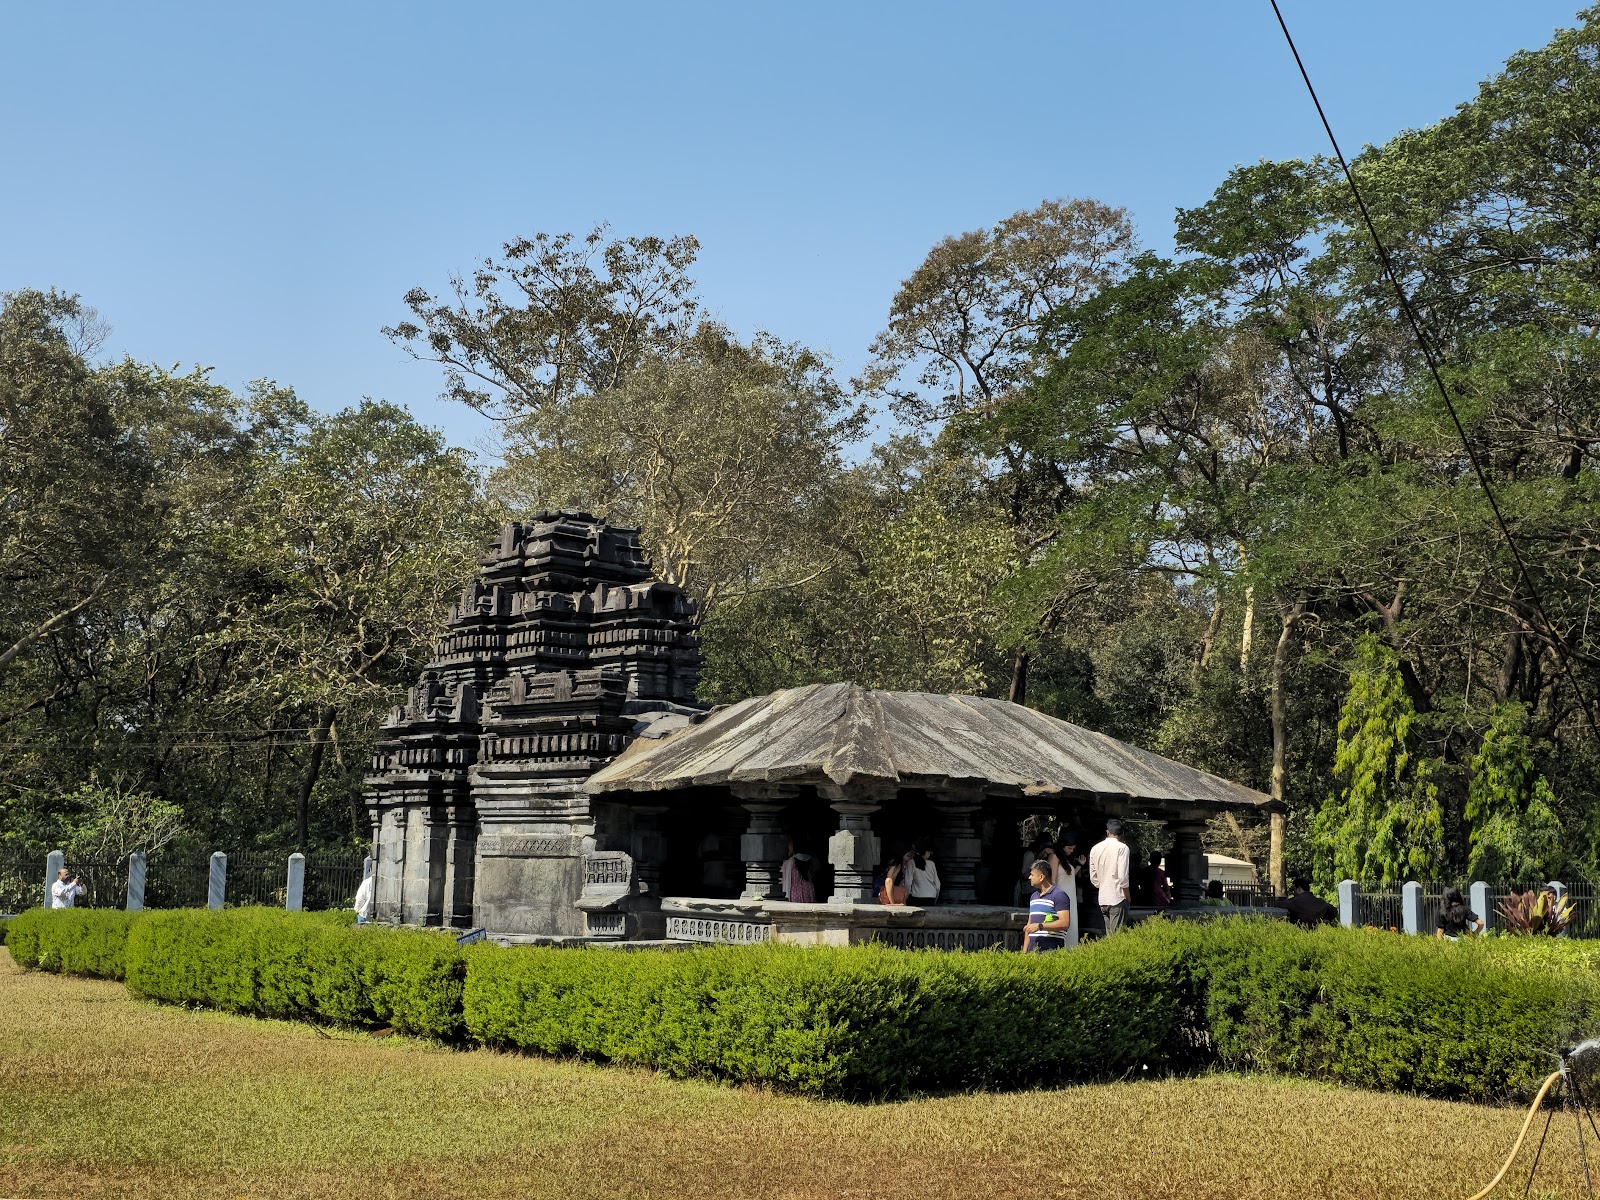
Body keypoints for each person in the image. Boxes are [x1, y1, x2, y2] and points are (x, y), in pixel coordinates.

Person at [1089, 819, 1132, 935]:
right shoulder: (1122, 848)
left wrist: (1103, 885)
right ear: (1121, 833)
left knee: (1109, 936)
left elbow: (1093, 878)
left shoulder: (1095, 848)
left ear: (1107, 832)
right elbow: (1123, 877)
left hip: (1103, 898)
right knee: (1117, 937)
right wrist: (1127, 896)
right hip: (1117, 897)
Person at [1021, 859, 1072, 953]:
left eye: (1032, 875)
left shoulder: (1058, 895)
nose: (1029, 877)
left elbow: (1065, 923)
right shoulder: (1034, 897)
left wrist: (1040, 926)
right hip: (1032, 952)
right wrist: (1024, 952)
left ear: (1041, 877)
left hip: (1050, 951)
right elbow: (1029, 925)